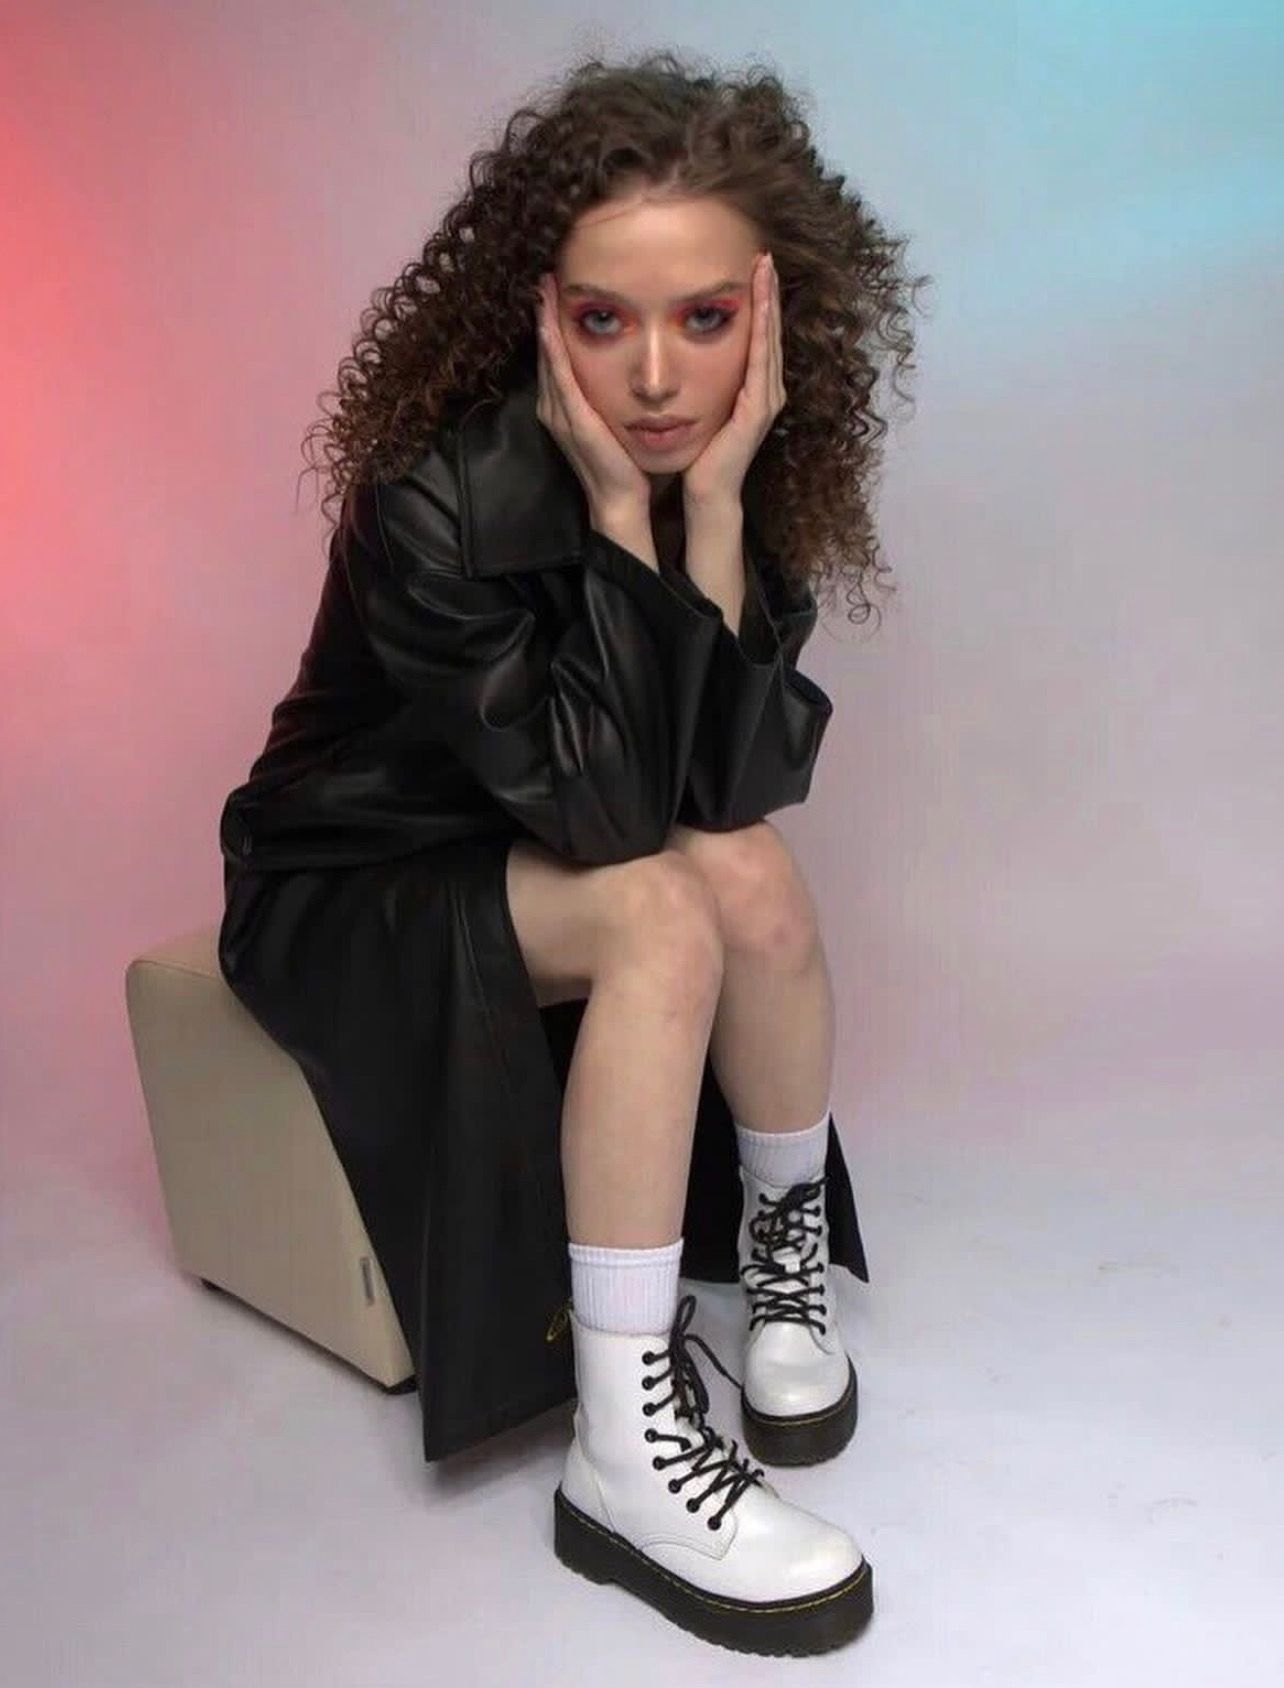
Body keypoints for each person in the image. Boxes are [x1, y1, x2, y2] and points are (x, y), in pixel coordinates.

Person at [217, 48, 925, 1657]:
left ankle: (779, 1261)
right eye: (605, 320)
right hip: (355, 876)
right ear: (538, 312)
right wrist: (620, 525)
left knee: (736, 874)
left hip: (538, 848)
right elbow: (610, 826)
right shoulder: (435, 501)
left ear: (772, 310)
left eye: (703, 319)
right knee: (667, 913)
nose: (659, 380)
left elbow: (730, 790)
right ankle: (627, 1454)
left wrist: (723, 517)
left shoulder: (739, 461)